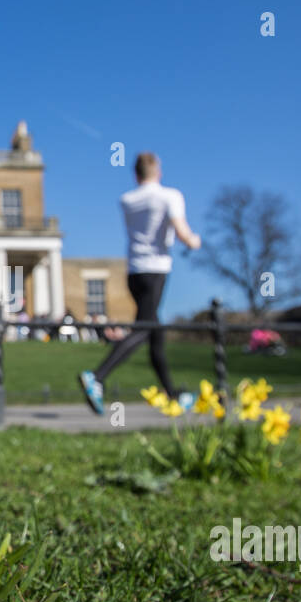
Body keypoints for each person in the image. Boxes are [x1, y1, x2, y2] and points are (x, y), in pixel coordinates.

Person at [78, 152, 202, 414]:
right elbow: (180, 231)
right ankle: (97, 377)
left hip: (134, 272)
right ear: (158, 170)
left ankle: (171, 394)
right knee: (144, 329)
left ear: (135, 174)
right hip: (156, 270)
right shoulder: (170, 196)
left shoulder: (127, 199)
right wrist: (193, 241)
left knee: (155, 332)